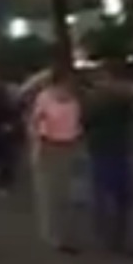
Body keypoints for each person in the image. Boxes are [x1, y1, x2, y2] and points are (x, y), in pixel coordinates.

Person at [83, 63, 133, 253]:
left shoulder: (95, 98)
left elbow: (85, 120)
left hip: (100, 148)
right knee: (121, 194)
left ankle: (104, 233)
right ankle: (117, 236)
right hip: (120, 147)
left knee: (102, 192)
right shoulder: (125, 97)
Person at [28, 70, 82, 251]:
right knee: (48, 192)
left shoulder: (74, 101)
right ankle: (51, 234)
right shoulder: (45, 98)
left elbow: (76, 124)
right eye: (67, 82)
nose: (70, 85)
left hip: (68, 147)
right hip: (48, 147)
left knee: (65, 193)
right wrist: (37, 146)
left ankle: (63, 232)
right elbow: (36, 122)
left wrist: (76, 140)